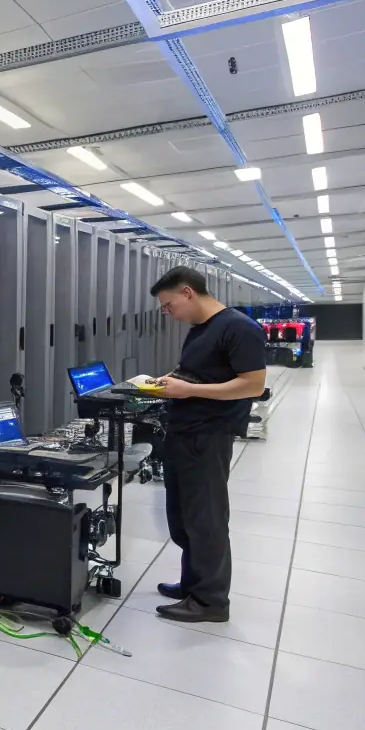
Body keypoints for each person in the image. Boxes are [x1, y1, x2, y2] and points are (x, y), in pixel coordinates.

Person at [148, 267, 267, 623]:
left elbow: (252, 385)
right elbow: (205, 372)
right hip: (184, 431)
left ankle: (211, 601)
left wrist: (190, 390)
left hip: (208, 435)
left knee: (207, 519)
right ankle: (192, 585)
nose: (168, 313)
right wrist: (174, 379)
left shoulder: (240, 328)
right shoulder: (202, 330)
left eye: (168, 306)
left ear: (187, 293)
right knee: (183, 518)